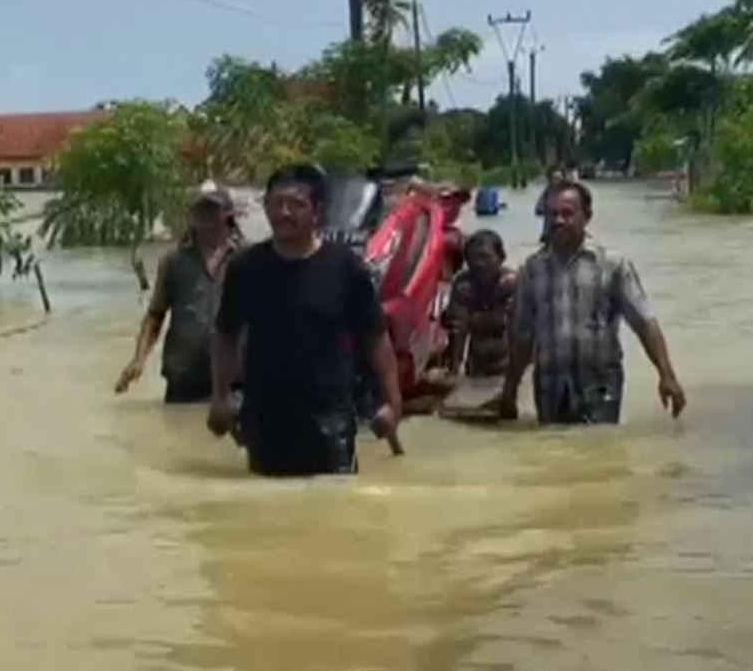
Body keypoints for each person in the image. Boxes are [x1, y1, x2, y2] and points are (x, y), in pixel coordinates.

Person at [209, 164, 402, 476]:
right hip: (266, 417)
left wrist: (393, 402)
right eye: (274, 203)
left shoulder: (345, 267)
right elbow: (225, 333)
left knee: (336, 508)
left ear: (318, 211)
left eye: (296, 204)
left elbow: (375, 337)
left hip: (330, 417)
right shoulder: (246, 268)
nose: (283, 213)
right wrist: (220, 397)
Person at [488, 180, 686, 425]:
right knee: (552, 453)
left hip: (601, 385)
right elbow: (522, 337)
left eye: (567, 213)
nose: (558, 220)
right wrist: (510, 390)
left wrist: (666, 375)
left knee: (601, 451)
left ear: (587, 217)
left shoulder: (612, 265)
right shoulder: (532, 270)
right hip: (551, 386)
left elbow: (644, 323)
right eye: (552, 214)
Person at [115, 182, 239, 403]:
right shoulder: (174, 261)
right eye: (200, 209)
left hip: (234, 380)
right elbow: (155, 316)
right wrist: (139, 360)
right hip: (184, 377)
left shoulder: (246, 259)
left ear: (228, 212)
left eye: (213, 208)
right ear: (191, 214)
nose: (206, 215)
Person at [444, 229, 516, 379]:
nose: (478, 264)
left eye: (485, 257)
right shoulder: (464, 286)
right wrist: (453, 370)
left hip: (509, 364)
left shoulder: (511, 284)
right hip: (476, 366)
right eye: (472, 258)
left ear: (501, 258)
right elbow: (458, 330)